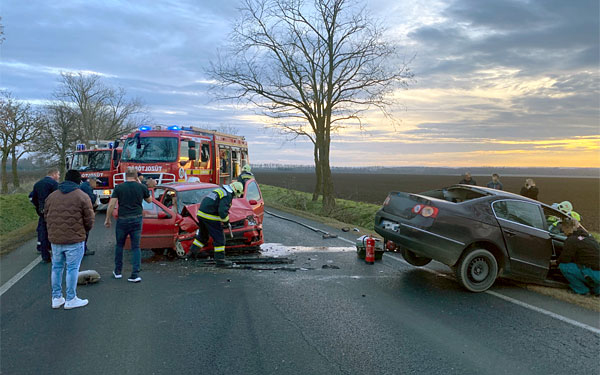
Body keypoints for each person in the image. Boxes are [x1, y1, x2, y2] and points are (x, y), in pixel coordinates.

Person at [44, 170, 95, 309]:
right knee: (72, 268)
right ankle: (71, 298)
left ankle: (56, 297)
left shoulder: (52, 196)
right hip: (75, 239)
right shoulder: (82, 196)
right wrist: (84, 231)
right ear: (78, 181)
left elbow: (45, 215)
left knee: (56, 268)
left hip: (55, 239)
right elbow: (89, 219)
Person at [105, 167, 151, 283]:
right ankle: (134, 274)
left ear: (126, 176)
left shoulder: (119, 188)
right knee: (136, 247)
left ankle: (118, 271)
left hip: (123, 220)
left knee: (119, 245)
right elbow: (149, 200)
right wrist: (140, 184)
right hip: (136, 219)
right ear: (136, 176)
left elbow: (111, 204)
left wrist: (107, 219)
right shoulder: (141, 187)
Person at [188, 181, 244, 265]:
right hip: (210, 217)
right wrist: (226, 222)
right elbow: (222, 211)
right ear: (236, 191)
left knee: (203, 236)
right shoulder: (227, 195)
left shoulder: (220, 190)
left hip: (201, 215)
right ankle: (220, 260)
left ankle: (191, 255)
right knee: (219, 239)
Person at [552, 218, 599, 296]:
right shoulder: (590, 237)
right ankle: (597, 291)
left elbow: (564, 259)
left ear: (568, 228)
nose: (563, 232)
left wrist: (555, 262)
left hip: (593, 273)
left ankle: (582, 291)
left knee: (563, 266)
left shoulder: (572, 240)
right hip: (597, 271)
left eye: (563, 230)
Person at [29, 168, 60, 262]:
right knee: (55, 232)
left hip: (42, 212)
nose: (58, 176)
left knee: (43, 232)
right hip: (53, 212)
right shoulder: (54, 184)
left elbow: (32, 197)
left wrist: (38, 207)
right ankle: (56, 253)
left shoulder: (38, 184)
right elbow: (58, 197)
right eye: (58, 174)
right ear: (53, 174)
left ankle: (44, 255)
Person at [80, 177, 98, 256]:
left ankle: (83, 248)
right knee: (85, 230)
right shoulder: (87, 187)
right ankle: (83, 249)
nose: (96, 185)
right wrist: (95, 196)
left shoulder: (85, 186)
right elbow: (91, 199)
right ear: (91, 181)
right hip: (83, 212)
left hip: (81, 211)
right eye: (96, 183)